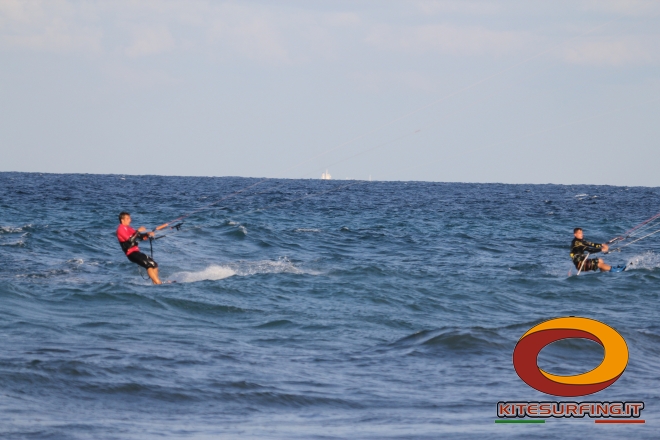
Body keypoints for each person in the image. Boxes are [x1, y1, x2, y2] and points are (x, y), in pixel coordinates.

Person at [117, 211, 162, 284]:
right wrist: (138, 231)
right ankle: (158, 283)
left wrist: (147, 234)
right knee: (149, 265)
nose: (130, 220)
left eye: (130, 218)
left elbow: (138, 236)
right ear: (122, 220)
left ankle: (155, 283)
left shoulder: (129, 228)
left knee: (154, 264)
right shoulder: (120, 229)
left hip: (136, 252)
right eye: (128, 218)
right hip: (131, 253)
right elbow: (130, 240)